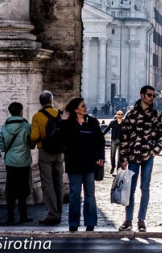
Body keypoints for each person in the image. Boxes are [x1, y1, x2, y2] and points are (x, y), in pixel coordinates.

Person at [119, 85, 162, 232]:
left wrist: (155, 150)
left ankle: (141, 220)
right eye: (149, 95)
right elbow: (124, 137)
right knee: (130, 189)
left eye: (153, 96)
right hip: (133, 157)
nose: (152, 98)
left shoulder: (156, 115)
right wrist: (123, 158)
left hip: (148, 156)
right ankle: (128, 220)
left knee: (145, 188)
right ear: (142, 95)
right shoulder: (131, 114)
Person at [59, 98, 105, 232]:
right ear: (75, 109)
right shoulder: (68, 123)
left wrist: (101, 156)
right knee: (75, 194)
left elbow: (100, 141)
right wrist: (63, 122)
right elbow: (62, 140)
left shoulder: (92, 122)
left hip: (90, 163)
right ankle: (73, 223)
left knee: (90, 193)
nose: (85, 108)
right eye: (83, 106)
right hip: (74, 163)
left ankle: (90, 222)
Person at [31, 90, 64, 225]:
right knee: (59, 182)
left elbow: (34, 136)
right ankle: (59, 211)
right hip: (59, 152)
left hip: (45, 151)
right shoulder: (59, 114)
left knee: (47, 183)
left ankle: (52, 213)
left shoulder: (37, 116)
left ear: (40, 102)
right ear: (52, 100)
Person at [0, 102, 34, 225]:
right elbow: (32, 142)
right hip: (24, 161)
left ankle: (10, 216)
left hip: (10, 162)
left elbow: (1, 142)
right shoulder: (27, 126)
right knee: (23, 189)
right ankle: (23, 215)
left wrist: (6, 150)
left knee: (10, 190)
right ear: (21, 111)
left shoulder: (5, 127)